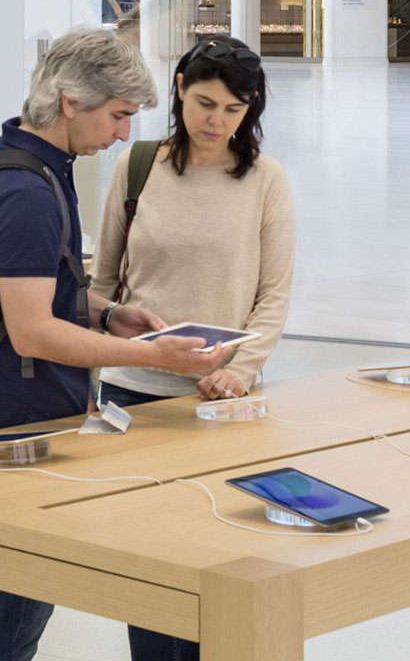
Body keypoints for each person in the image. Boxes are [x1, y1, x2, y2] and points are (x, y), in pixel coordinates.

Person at [0, 27, 232, 661]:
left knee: (26, 586)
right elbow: (30, 329)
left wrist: (108, 314)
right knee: (22, 587)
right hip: (20, 414)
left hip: (24, 402)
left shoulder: (22, 165)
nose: (124, 134)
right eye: (117, 115)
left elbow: (32, 291)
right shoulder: (26, 192)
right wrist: (153, 355)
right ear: (70, 101)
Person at [88, 35, 293, 661]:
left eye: (233, 110)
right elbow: (99, 285)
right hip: (135, 395)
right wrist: (111, 332)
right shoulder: (138, 164)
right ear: (178, 88)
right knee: (149, 565)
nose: (215, 121)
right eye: (204, 103)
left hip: (222, 400)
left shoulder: (264, 179)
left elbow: (274, 295)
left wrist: (243, 371)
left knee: (222, 559)